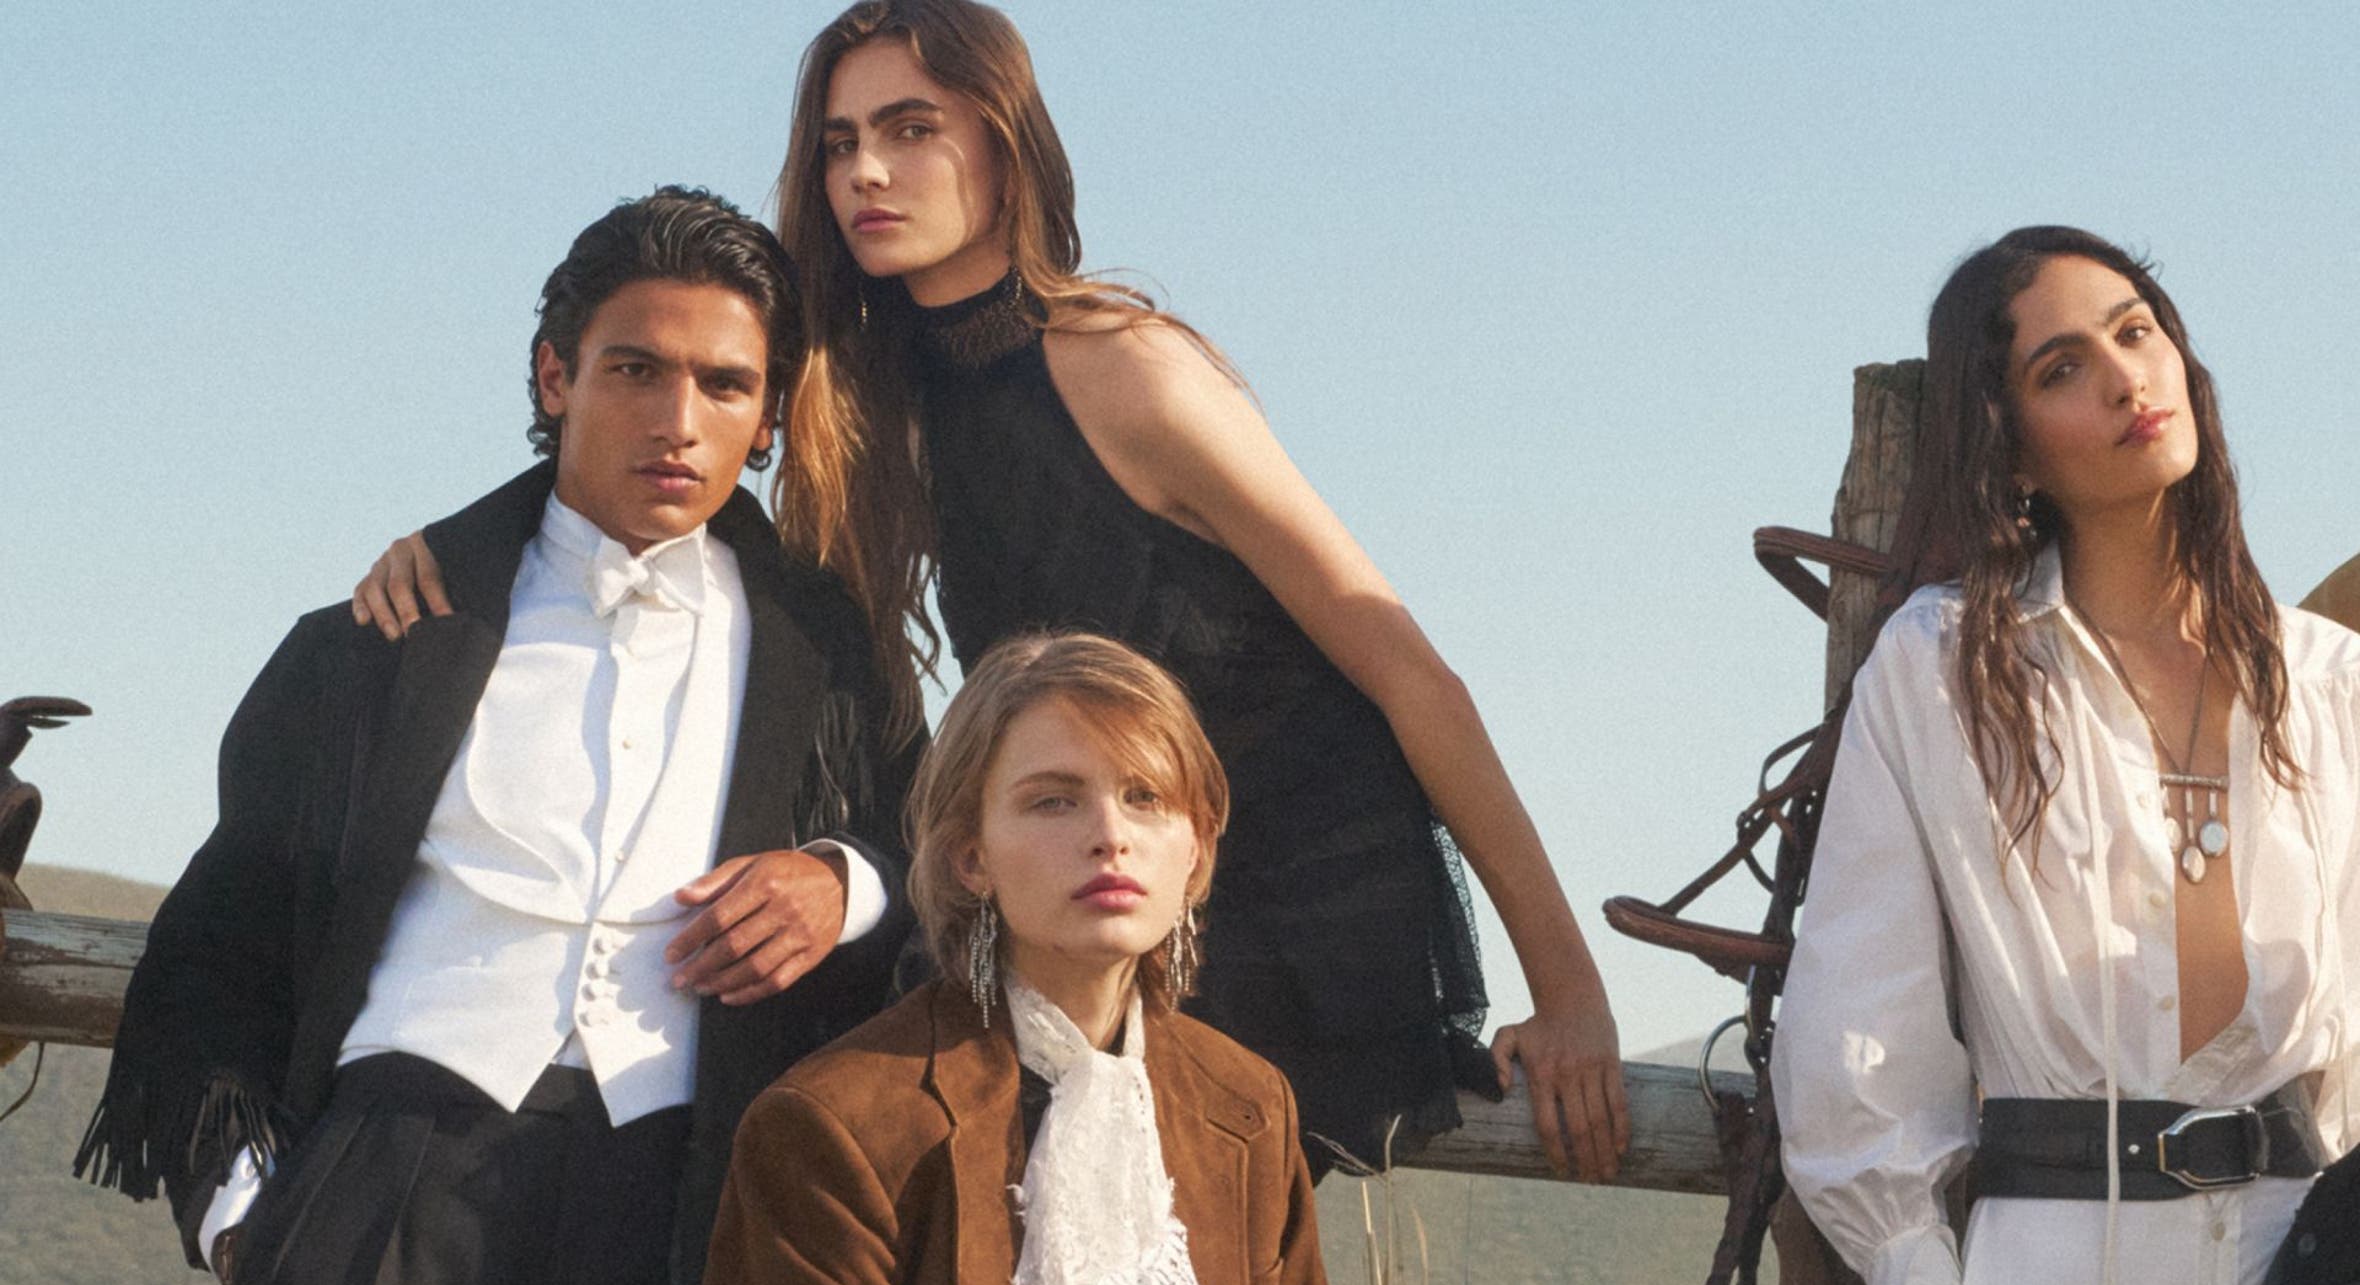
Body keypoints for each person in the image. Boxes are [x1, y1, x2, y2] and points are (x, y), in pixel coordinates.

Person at [357, 0, 1629, 1182]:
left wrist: (1567, 992)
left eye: (911, 131)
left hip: (1290, 891)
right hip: (1084, 878)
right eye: (840, 141)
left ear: (1004, 147)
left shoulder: (1126, 365)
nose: (863, 171)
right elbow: (666, 473)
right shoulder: (865, 409)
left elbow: (1408, 667)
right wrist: (475, 544)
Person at [76, 188, 920, 1285]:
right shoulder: (386, 639)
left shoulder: (831, 657)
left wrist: (841, 883)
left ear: (764, 417)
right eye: (634, 369)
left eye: (723, 383)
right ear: (554, 373)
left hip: (682, 1228)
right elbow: (218, 944)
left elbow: (945, 853)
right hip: (377, 1202)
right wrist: (249, 1226)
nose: (676, 420)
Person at [1771, 224, 2360, 1285]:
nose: (2120, 376)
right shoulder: (1940, 676)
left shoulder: (2332, 688)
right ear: (2010, 447)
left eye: (2135, 331)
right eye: (2060, 367)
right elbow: (1851, 1050)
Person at [686, 631, 1388, 1285]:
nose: (1109, 836)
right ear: (970, 856)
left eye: (1146, 798)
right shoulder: (836, 1129)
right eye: (1053, 801)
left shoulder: (1246, 1107)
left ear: (1195, 852)